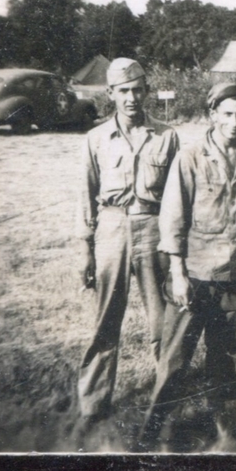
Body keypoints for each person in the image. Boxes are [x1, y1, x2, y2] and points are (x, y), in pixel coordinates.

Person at [139, 82, 236, 452]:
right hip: (194, 274)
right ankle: (157, 432)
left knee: (227, 356)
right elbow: (173, 217)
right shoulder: (191, 157)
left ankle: (223, 426)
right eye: (227, 113)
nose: (235, 121)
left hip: (234, 273)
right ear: (213, 114)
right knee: (175, 358)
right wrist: (178, 273)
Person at [74, 57, 180, 446]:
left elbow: (175, 198)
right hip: (112, 228)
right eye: (123, 91)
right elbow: (86, 196)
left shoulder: (167, 136)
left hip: (153, 229)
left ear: (147, 90)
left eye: (138, 89)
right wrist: (85, 248)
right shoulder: (96, 138)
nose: (132, 97)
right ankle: (93, 405)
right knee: (106, 321)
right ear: (111, 94)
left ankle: (164, 404)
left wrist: (176, 248)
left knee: (162, 322)